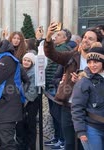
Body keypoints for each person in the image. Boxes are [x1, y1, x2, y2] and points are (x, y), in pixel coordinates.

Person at [44, 22, 103, 150]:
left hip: (90, 111)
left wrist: (83, 79)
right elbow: (52, 54)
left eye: (90, 38)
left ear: (97, 43)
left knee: (84, 144)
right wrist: (48, 37)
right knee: (69, 143)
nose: (86, 40)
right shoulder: (72, 56)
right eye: (85, 37)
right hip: (69, 106)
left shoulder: (100, 62)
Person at [71, 47, 104, 150]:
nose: (92, 65)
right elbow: (77, 107)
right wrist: (80, 131)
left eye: (96, 62)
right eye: (89, 62)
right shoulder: (84, 81)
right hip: (92, 128)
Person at [16, 52, 40, 150]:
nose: (26, 62)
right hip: (21, 102)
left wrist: (22, 99)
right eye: (25, 60)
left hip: (30, 103)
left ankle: (31, 147)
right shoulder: (20, 70)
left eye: (28, 61)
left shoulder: (34, 73)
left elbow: (32, 92)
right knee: (20, 126)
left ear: (32, 62)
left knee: (30, 126)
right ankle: (22, 146)